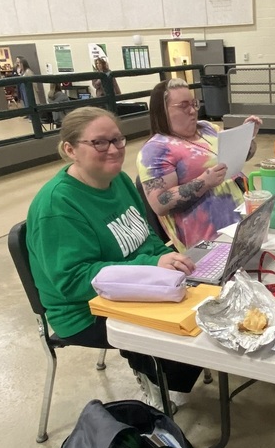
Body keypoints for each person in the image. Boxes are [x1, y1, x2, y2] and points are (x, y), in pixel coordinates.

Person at [25, 106, 201, 407]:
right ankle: (155, 383)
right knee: (178, 329)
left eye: (118, 140)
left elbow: (146, 236)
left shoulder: (117, 180)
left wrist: (168, 259)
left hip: (136, 284)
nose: (114, 150)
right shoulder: (57, 205)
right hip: (84, 309)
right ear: (70, 150)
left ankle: (172, 373)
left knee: (203, 303)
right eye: (99, 142)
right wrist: (151, 266)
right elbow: (73, 280)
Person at [136, 78, 262, 251]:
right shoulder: (156, 150)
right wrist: (204, 182)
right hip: (208, 238)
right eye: (183, 105)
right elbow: (159, 203)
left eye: (194, 104)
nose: (193, 111)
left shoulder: (207, 128)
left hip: (243, 218)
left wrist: (248, 137)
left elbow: (243, 155)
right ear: (162, 111)